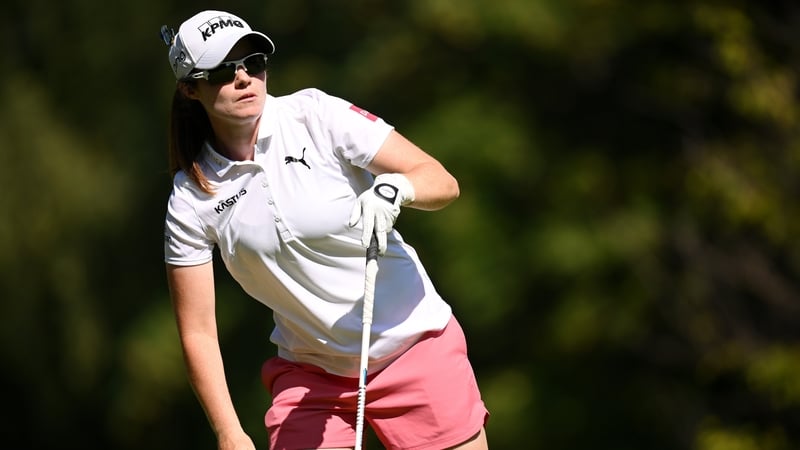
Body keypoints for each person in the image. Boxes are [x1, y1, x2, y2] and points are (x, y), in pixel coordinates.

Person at [161, 10, 489, 450]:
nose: (244, 78)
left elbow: (441, 182)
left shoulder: (315, 115)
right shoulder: (191, 197)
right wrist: (228, 432)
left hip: (413, 346)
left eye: (253, 62)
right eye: (223, 71)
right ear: (190, 88)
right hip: (313, 377)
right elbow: (198, 330)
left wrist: (397, 188)